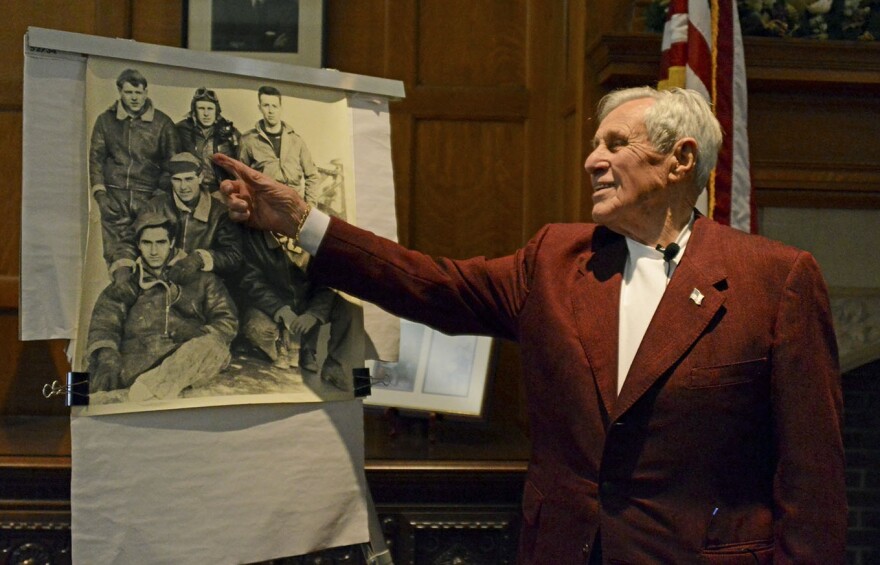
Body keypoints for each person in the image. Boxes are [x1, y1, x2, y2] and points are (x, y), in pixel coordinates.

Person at [213, 86, 846, 564]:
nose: (592, 161)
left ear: (681, 160)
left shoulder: (776, 279)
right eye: (594, 145)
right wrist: (301, 219)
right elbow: (430, 284)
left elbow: (812, 476)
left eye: (615, 145)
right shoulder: (553, 259)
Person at [85, 211, 238, 403]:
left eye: (161, 242)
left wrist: (199, 332)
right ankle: (141, 394)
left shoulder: (203, 280)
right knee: (78, 384)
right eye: (147, 243)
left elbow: (227, 320)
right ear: (139, 245)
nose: (154, 251)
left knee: (213, 346)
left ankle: (142, 394)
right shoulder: (127, 282)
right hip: (137, 360)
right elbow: (105, 322)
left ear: (171, 242)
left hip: (185, 358)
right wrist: (107, 354)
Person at [89, 68, 181, 279]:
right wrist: (101, 195)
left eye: (139, 93)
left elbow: (172, 164)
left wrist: (157, 196)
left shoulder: (162, 123)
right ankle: (119, 297)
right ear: (120, 91)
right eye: (129, 93)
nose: (134, 98)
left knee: (151, 254)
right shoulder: (105, 121)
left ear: (146, 92)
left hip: (147, 197)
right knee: (115, 257)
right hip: (114, 197)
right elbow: (96, 158)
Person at [236, 225, 353, 387]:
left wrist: (314, 314)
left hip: (309, 301)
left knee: (349, 307)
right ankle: (284, 347)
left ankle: (332, 364)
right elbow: (251, 281)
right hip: (273, 303)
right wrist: (280, 309)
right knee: (257, 328)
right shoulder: (252, 238)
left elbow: (329, 282)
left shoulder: (316, 232)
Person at [142, 152, 245, 284]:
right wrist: (123, 266)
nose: (183, 187)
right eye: (177, 180)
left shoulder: (219, 212)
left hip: (202, 284)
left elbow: (233, 256)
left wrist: (199, 259)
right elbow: (132, 240)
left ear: (200, 177)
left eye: (189, 179)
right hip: (159, 282)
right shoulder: (155, 206)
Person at [238, 85, 319, 204]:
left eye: (274, 106)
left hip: (294, 204)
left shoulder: (296, 141)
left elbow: (312, 175)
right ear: (259, 108)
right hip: (265, 205)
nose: (270, 111)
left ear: (280, 108)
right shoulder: (248, 140)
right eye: (266, 105)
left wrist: (309, 207)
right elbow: (240, 176)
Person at [175, 87, 241, 193]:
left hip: (221, 189)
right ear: (194, 111)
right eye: (201, 108)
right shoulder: (181, 130)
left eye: (210, 109)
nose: (206, 114)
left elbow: (242, 165)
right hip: (190, 189)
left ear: (216, 111)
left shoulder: (230, 133)